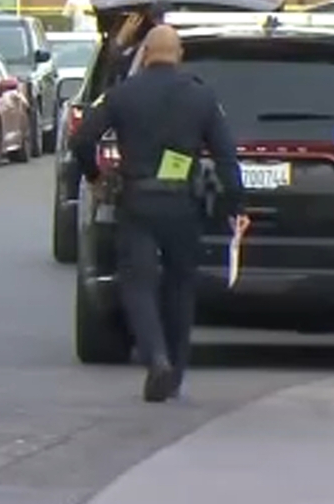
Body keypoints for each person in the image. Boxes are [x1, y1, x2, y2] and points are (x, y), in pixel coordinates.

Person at [70, 25, 246, 403]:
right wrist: (236, 207)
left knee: (138, 284)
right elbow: (227, 157)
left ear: (146, 53)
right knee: (181, 287)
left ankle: (157, 358)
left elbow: (82, 139)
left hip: (137, 201)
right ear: (179, 54)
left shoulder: (122, 94)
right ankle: (176, 372)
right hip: (184, 204)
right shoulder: (201, 97)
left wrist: (96, 175)